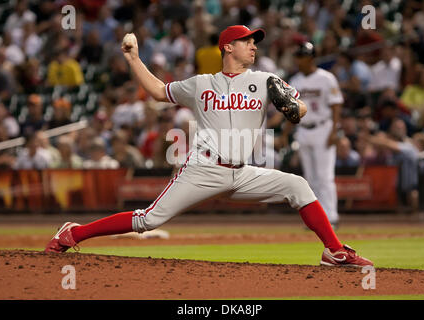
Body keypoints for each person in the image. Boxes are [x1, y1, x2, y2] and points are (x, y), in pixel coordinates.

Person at [44, 25, 372, 267]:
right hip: (202, 168)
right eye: (247, 41)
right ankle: (74, 233)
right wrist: (133, 58)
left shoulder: (265, 80)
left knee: (298, 186)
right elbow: (159, 92)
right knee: (148, 220)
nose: (253, 46)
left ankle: (333, 250)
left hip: (241, 173)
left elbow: (298, 108)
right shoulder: (201, 84)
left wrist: (293, 109)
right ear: (228, 47)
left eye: (254, 42)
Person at [289, 42, 343, 228]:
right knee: (310, 178)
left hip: (323, 128)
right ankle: (316, 218)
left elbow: (336, 105)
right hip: (303, 130)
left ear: (311, 58)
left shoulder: (326, 78)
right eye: (297, 56)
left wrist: (334, 131)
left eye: (302, 56)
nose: (298, 60)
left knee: (324, 176)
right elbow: (291, 110)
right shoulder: (295, 80)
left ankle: (331, 217)